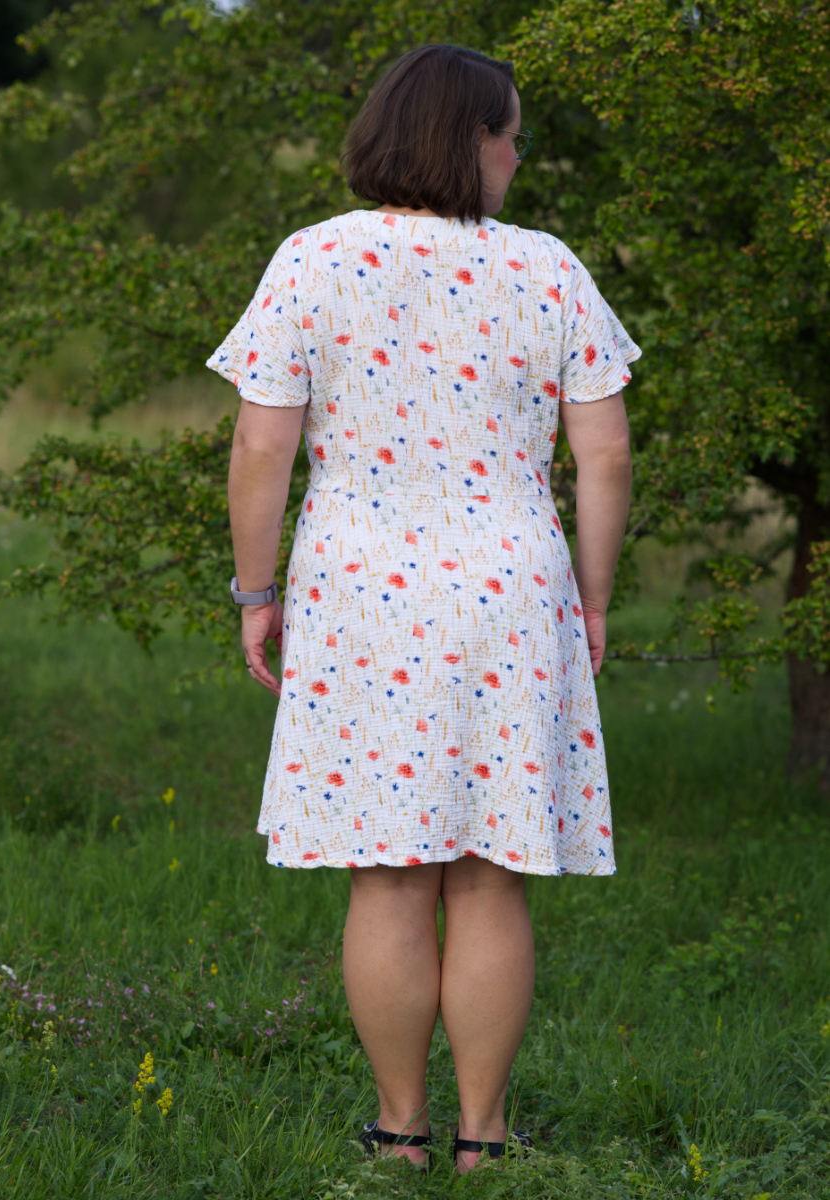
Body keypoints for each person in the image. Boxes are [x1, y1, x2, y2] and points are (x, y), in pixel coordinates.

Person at [206, 43, 638, 1174]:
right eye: (512, 138)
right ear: (470, 140)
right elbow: (604, 455)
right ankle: (482, 1140)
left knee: (389, 874)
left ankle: (399, 1132)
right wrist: (592, 599)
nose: (517, 159)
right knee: (491, 874)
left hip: (360, 595)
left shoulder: (312, 260)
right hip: (512, 589)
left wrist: (256, 593)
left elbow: (260, 445)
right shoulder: (548, 269)